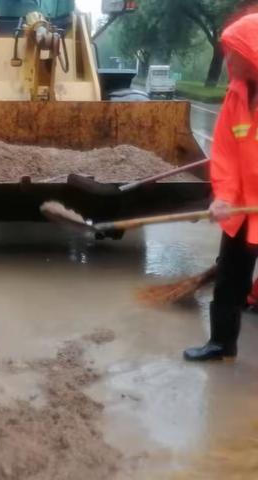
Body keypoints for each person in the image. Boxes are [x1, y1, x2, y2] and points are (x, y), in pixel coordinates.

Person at [184, 13, 258, 361]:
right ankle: (221, 344)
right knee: (230, 279)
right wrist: (224, 197)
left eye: (234, 52)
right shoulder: (236, 95)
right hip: (242, 209)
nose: (228, 60)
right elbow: (225, 153)